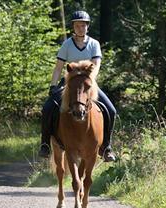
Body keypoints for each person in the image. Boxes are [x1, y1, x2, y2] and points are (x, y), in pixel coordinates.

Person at [38, 10, 116, 162]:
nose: (81, 28)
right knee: (47, 108)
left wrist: (90, 82)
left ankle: (106, 147)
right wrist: (53, 85)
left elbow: (96, 65)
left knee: (111, 110)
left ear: (87, 27)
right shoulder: (67, 45)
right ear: (73, 27)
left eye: (83, 25)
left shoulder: (94, 44)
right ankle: (45, 145)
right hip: (69, 83)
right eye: (77, 25)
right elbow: (59, 67)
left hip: (88, 83)